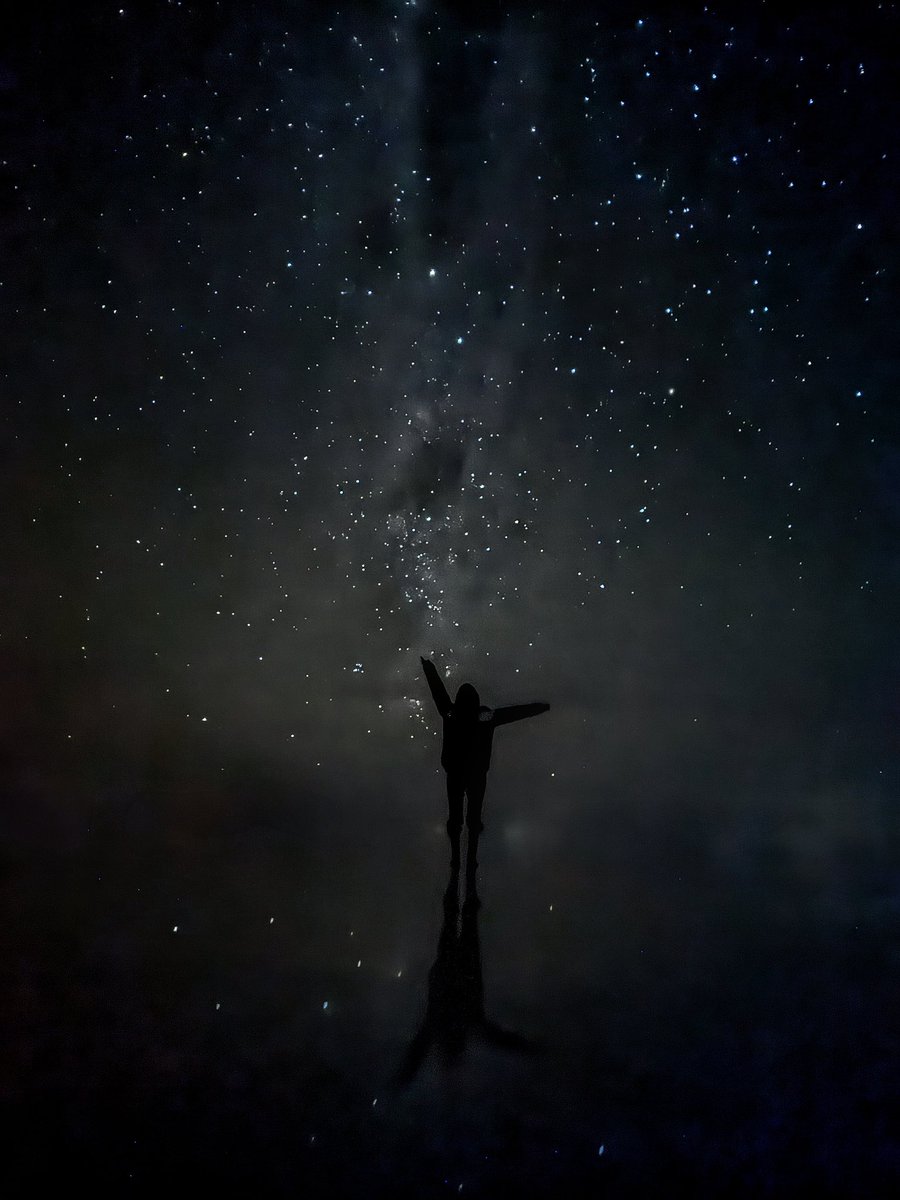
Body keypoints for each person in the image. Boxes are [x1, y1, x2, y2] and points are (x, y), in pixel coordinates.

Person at [420, 657, 550, 858]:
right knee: (473, 816)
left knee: (456, 815)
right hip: (476, 774)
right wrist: (539, 707)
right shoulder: (484, 719)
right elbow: (514, 713)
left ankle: (456, 859)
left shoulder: (450, 714)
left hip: (455, 772)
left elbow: (438, 690)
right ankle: (470, 857)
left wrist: (429, 667)